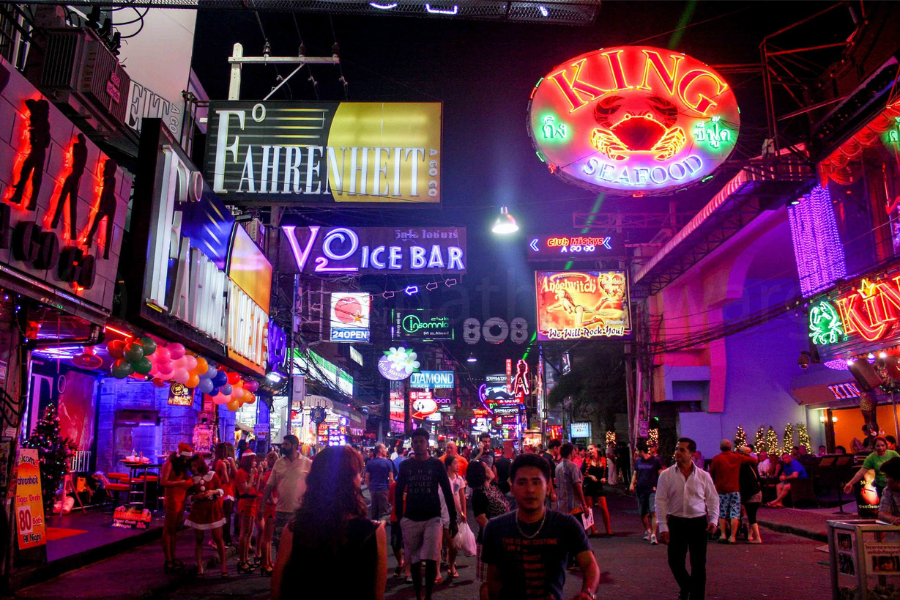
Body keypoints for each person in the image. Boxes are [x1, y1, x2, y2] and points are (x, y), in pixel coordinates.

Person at [272, 446, 386, 600]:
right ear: (351, 480)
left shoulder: (294, 530)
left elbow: (277, 591)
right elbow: (377, 594)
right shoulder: (374, 533)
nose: (361, 478)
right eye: (358, 473)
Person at [481, 454, 600, 600]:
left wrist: (587, 593)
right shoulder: (495, 528)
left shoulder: (566, 525)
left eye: (536, 482)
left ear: (548, 486)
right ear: (512, 487)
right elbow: (493, 579)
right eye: (522, 482)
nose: (530, 490)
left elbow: (589, 565)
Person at [395, 428, 458, 600]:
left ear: (427, 443)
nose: (418, 445)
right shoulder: (405, 465)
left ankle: (428, 595)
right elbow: (399, 492)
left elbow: (447, 491)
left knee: (431, 559)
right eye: (415, 442)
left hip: (433, 517)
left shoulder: (436, 465)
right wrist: (399, 519)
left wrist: (453, 519)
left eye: (421, 441)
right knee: (414, 561)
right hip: (411, 518)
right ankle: (418, 595)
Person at [657, 438, 719, 600]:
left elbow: (712, 499)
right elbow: (661, 500)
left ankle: (696, 596)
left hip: (698, 522)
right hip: (676, 522)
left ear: (692, 454)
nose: (677, 452)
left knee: (698, 564)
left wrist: (713, 520)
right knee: (675, 561)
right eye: (677, 449)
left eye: (682, 450)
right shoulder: (666, 475)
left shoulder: (703, 476)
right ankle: (687, 586)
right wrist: (663, 526)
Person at [261, 434, 312, 556]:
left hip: (299, 512)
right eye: (283, 444)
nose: (283, 446)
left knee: (299, 545)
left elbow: (314, 485)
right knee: (280, 544)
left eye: (286, 444)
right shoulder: (278, 463)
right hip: (281, 511)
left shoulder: (307, 463)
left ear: (294, 446)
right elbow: (269, 485)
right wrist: (262, 505)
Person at [184, 455, 228, 578]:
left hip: (212, 510)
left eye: (195, 465)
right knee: (199, 539)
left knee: (218, 538)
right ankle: (200, 567)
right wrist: (196, 497)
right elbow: (188, 497)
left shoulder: (212, 475)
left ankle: (223, 566)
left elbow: (221, 490)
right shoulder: (192, 480)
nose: (193, 468)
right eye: (191, 466)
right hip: (198, 511)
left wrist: (213, 492)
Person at [469, 459, 510, 586]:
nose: (491, 468)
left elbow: (511, 481)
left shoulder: (494, 488)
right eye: (486, 466)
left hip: (504, 539)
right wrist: (495, 535)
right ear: (481, 473)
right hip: (489, 542)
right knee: (488, 581)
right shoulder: (479, 493)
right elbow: (481, 518)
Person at [708, 440, 757, 544]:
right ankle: (733, 537)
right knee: (735, 512)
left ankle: (723, 535)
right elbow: (754, 460)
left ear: (721, 448)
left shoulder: (717, 458)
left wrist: (715, 483)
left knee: (722, 512)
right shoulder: (737, 457)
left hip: (721, 489)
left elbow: (711, 472)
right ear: (730, 447)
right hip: (735, 489)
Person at [160, 443, 194, 573]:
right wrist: (181, 483)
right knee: (168, 530)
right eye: (185, 458)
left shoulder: (181, 466)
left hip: (180, 498)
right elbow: (163, 482)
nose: (186, 461)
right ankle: (168, 559)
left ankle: (173, 557)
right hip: (173, 499)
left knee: (174, 530)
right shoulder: (169, 464)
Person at [630, 441, 663, 544]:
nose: (635, 452)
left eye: (637, 450)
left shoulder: (655, 460)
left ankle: (653, 534)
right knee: (642, 513)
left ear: (642, 451)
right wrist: (632, 483)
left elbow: (660, 474)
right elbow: (635, 474)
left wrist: (660, 487)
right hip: (641, 490)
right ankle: (647, 530)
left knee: (653, 512)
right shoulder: (638, 461)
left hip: (652, 490)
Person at [441, 455, 467, 580]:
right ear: (449, 466)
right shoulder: (443, 480)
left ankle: (451, 563)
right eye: (455, 463)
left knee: (453, 544)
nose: (458, 465)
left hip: (453, 513)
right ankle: (444, 565)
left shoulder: (459, 479)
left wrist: (463, 512)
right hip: (442, 512)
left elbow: (461, 497)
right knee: (439, 543)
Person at [235, 452, 260, 573]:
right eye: (253, 460)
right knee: (244, 533)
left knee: (249, 532)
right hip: (245, 502)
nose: (255, 462)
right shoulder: (241, 473)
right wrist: (252, 476)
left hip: (253, 502)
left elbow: (257, 487)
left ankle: (246, 558)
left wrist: (258, 474)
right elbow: (246, 489)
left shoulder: (250, 473)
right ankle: (242, 560)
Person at [582, 445, 613, 536]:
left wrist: (604, 479)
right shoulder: (587, 461)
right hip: (589, 486)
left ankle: (608, 529)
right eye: (588, 450)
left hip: (599, 486)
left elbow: (606, 473)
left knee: (604, 508)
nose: (590, 451)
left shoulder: (603, 460)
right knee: (589, 509)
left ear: (596, 449)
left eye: (591, 449)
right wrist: (590, 476)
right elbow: (582, 473)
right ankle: (593, 530)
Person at [556, 443, 589, 518]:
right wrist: (584, 504)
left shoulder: (557, 467)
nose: (575, 454)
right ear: (571, 452)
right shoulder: (573, 466)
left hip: (562, 505)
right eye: (574, 452)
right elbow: (577, 486)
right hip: (574, 506)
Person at [258, 451, 278, 576]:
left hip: (271, 507)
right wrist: (272, 500)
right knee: (266, 537)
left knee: (268, 537)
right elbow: (267, 489)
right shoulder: (270, 474)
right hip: (270, 507)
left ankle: (268, 561)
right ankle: (265, 563)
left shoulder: (269, 473)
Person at [214, 443, 238, 547]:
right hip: (228, 490)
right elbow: (236, 475)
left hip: (223, 490)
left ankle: (224, 537)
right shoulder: (229, 461)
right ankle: (226, 538)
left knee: (224, 516)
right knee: (226, 516)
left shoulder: (218, 461)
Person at [739, 445, 763, 544]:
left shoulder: (743, 467)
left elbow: (745, 483)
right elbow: (758, 478)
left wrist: (743, 498)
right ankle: (750, 536)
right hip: (758, 492)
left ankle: (757, 538)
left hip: (751, 493)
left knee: (751, 516)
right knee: (752, 515)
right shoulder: (752, 465)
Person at [365, 443, 394, 522]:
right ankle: (381, 531)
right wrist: (390, 491)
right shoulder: (388, 462)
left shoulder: (369, 463)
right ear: (380, 450)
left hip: (373, 490)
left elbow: (367, 479)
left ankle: (374, 531)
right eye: (384, 448)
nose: (386, 450)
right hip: (383, 489)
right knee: (384, 513)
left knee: (374, 511)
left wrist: (370, 488)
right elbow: (391, 479)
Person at [388, 476, 409, 581]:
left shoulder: (411, 485)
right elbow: (390, 500)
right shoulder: (394, 485)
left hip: (410, 518)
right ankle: (400, 562)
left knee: (409, 544)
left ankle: (407, 569)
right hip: (396, 518)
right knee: (395, 543)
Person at [877, 457, 900, 524]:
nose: (885, 480)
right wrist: (893, 519)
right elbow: (882, 513)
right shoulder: (888, 490)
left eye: (887, 477)